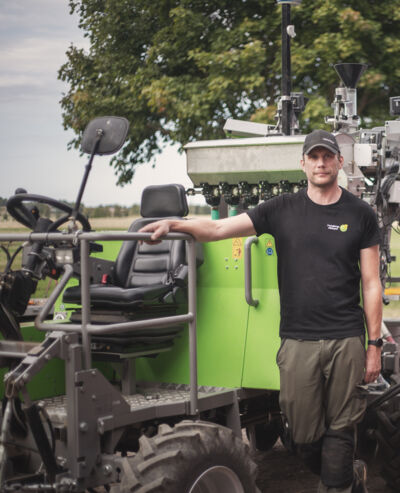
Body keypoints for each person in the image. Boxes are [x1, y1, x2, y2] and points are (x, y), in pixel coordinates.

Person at [140, 129, 382, 493]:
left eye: (327, 156)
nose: (321, 163)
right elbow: (218, 227)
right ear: (303, 163)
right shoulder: (281, 209)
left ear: (339, 162)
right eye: (314, 157)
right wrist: (176, 224)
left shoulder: (361, 214)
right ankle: (349, 477)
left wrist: (374, 344)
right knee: (302, 436)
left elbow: (371, 282)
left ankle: (339, 485)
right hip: (298, 339)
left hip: (346, 337)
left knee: (342, 427)